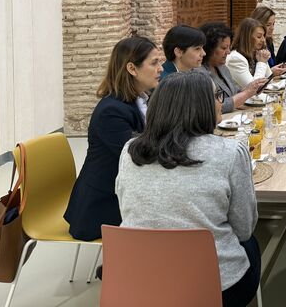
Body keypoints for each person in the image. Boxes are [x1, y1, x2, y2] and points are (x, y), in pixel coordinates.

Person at [116, 71, 260, 306]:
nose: (220, 103)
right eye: (216, 97)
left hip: (138, 278)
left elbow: (127, 209)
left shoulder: (130, 150)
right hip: (213, 288)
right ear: (200, 107)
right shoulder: (230, 153)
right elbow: (244, 229)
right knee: (251, 243)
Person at [64, 36, 164, 241]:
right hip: (101, 205)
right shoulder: (112, 111)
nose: (161, 68)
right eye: (154, 63)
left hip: (121, 192)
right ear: (132, 69)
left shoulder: (140, 99)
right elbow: (140, 155)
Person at [200, 22, 268, 113]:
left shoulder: (222, 68)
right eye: (224, 48)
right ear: (209, 48)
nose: (228, 52)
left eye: (229, 47)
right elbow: (214, 107)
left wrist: (253, 88)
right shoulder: (200, 74)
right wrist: (247, 93)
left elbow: (234, 91)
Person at [226, 17, 286, 88]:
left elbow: (269, 80)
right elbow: (254, 88)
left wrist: (264, 61)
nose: (263, 40)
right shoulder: (236, 58)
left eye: (263, 36)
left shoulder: (255, 54)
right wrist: (262, 62)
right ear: (247, 38)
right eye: (259, 37)